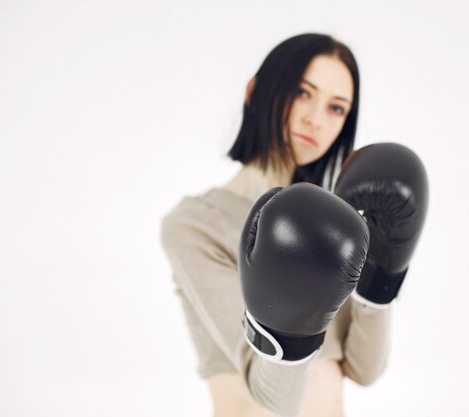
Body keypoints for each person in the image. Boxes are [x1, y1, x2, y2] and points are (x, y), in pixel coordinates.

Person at [160, 33, 428, 417]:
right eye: (302, 93)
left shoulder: (335, 229)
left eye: (336, 108)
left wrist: (384, 274)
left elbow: (365, 369)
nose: (315, 119)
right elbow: (276, 400)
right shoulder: (196, 226)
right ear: (255, 91)